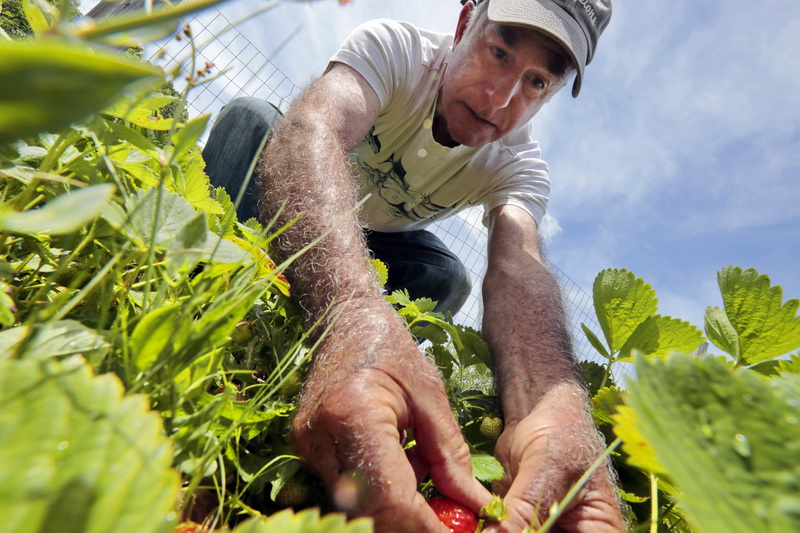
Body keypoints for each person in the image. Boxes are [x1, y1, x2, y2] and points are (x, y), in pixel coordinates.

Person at [202, 0, 624, 531]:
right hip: (285, 200)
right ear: (466, 20)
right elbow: (314, 129)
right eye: (498, 52)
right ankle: (201, 289)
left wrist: (544, 405)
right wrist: (351, 313)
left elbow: (519, 264)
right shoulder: (397, 49)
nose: (500, 99)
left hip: (373, 244)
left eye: (536, 82)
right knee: (252, 118)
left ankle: (365, 376)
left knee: (447, 275)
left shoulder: (520, 167)